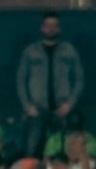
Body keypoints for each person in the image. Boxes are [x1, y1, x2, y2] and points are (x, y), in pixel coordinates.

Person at [15, 12, 85, 159]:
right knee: (31, 152)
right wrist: (27, 105)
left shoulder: (69, 50)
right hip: (37, 109)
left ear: (59, 29)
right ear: (42, 28)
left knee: (64, 151)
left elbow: (79, 79)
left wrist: (70, 104)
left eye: (54, 26)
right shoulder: (30, 51)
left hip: (62, 108)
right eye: (48, 25)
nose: (51, 29)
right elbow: (21, 79)